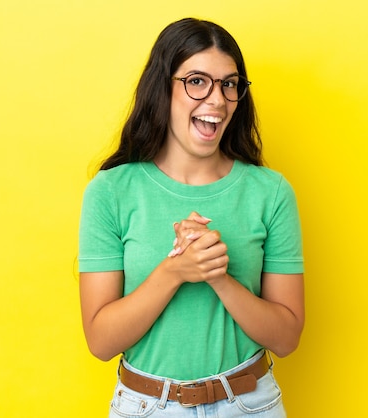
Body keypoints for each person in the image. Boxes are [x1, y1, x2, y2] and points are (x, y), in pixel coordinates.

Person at [78, 17, 304, 417]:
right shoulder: (111, 191)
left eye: (229, 84)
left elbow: (286, 338)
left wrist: (218, 276)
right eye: (197, 81)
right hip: (146, 406)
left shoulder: (270, 192)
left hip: (250, 404)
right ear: (162, 86)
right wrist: (176, 270)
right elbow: (100, 341)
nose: (217, 99)